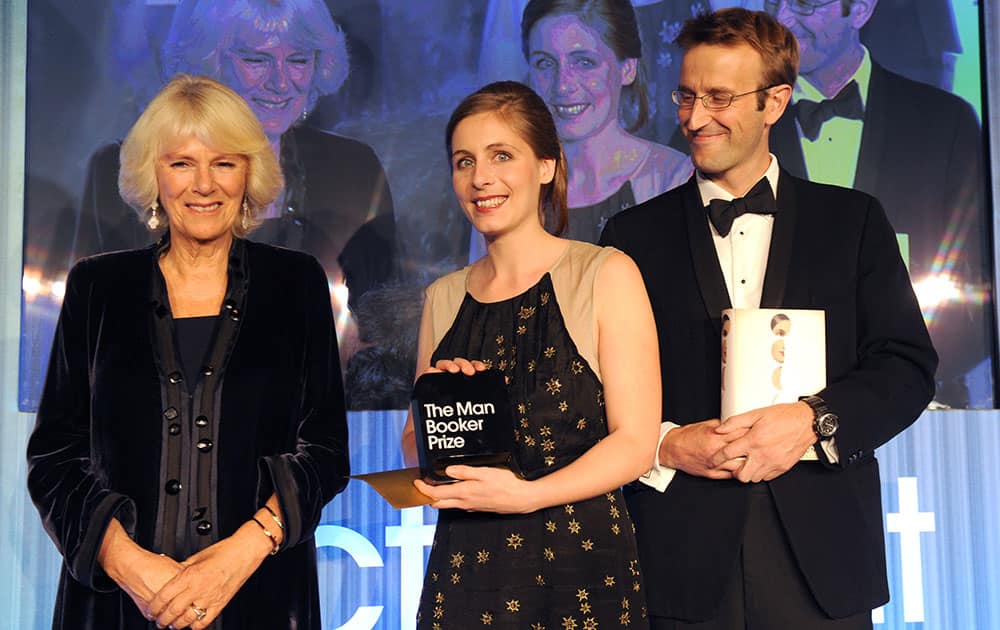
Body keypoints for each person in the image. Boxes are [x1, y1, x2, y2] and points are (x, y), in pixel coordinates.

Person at [599, 8, 936, 629]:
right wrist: (666, 444)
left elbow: (907, 368)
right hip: (678, 554)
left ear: (775, 102)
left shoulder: (853, 222)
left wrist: (813, 420)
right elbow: (594, 388)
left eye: (721, 97)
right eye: (687, 95)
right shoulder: (630, 237)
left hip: (823, 554)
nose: (696, 118)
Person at [27, 74, 350, 630]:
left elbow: (324, 450)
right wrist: (130, 567)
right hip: (118, 606)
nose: (204, 184)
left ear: (249, 172)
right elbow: (55, 458)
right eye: (181, 163)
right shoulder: (96, 288)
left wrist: (241, 553)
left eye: (223, 162)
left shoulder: (295, 284)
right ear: (153, 175)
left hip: (259, 596)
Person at [401, 80, 660, 628]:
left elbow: (637, 444)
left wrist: (528, 496)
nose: (480, 178)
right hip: (467, 572)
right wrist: (443, 410)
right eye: (463, 161)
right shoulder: (442, 297)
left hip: (581, 571)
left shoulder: (604, 273)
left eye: (502, 155)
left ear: (547, 165)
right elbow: (414, 452)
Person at [72, 0, 399, 404]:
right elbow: (90, 338)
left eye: (298, 60)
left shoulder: (355, 169)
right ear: (209, 63)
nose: (280, 82)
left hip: (319, 416)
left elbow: (382, 331)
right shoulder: (123, 169)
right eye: (255, 60)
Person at [764, 0, 989, 407]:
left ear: (863, 9)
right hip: (771, 409)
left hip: (925, 407)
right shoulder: (742, 127)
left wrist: (909, 381)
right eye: (771, 2)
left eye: (802, 3)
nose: (780, 19)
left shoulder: (946, 122)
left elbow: (976, 286)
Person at [521, 0, 692, 243]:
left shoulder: (672, 179)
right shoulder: (512, 184)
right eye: (545, 63)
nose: (563, 84)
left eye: (584, 62)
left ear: (628, 69)